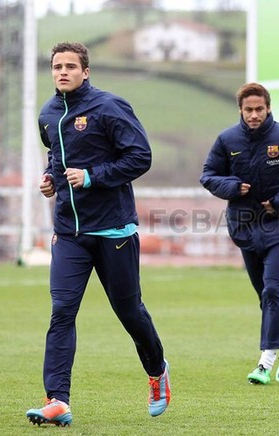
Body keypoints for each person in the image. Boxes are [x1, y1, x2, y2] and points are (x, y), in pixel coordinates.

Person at [26, 42, 171, 427]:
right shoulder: (48, 114)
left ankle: (157, 371)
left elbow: (140, 156)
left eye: (71, 66)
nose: (63, 72)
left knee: (129, 311)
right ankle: (57, 399)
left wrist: (92, 177)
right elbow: (56, 156)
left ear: (85, 72)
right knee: (62, 311)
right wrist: (50, 180)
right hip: (69, 233)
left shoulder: (109, 107)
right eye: (57, 66)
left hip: (113, 230)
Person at [200, 82, 279, 385]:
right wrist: (232, 187)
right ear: (241, 111)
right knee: (266, 295)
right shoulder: (227, 139)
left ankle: (264, 362)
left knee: (273, 289)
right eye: (248, 110)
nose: (254, 115)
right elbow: (208, 175)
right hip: (244, 226)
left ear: (268, 108)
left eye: (259, 109)